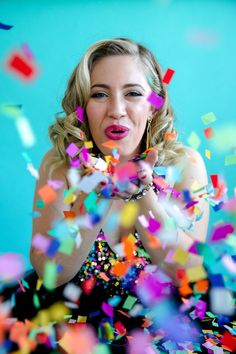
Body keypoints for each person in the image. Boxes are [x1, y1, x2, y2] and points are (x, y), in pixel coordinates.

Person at [5, 38, 210, 353]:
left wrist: (142, 193)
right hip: (68, 319)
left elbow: (187, 271)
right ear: (82, 107)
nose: (116, 110)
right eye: (99, 94)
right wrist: (97, 196)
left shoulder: (184, 163)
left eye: (133, 94)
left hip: (164, 323)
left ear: (154, 106)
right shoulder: (59, 164)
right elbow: (51, 273)